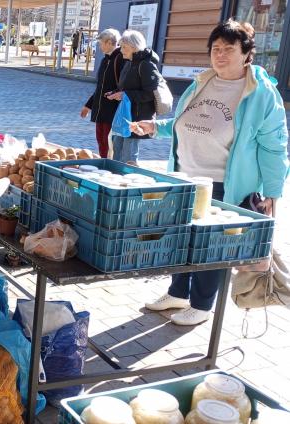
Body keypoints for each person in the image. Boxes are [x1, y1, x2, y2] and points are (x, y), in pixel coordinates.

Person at [130, 20, 289, 326]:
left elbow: (275, 147)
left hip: (224, 186)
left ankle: (202, 305)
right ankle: (177, 292)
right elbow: (186, 121)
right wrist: (156, 128)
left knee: (212, 248)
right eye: (216, 49)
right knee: (183, 240)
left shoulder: (261, 94)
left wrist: (273, 192)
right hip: (186, 177)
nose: (220, 55)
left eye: (229, 49)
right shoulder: (203, 81)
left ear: (246, 53)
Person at [106, 29, 161, 166]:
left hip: (136, 118)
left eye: (124, 47)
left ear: (134, 47)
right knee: (116, 152)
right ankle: (114, 180)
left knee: (128, 157)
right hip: (125, 115)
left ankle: (126, 183)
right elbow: (127, 88)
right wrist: (115, 92)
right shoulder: (130, 63)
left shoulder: (146, 65)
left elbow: (150, 93)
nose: (121, 50)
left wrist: (125, 95)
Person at [81, 28, 124, 159]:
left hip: (113, 110)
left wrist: (115, 95)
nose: (99, 47)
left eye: (101, 43)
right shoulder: (105, 60)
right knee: (101, 141)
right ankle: (104, 163)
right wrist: (88, 105)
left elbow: (123, 87)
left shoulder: (121, 59)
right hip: (101, 109)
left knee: (109, 143)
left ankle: (108, 167)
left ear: (110, 42)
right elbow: (100, 87)